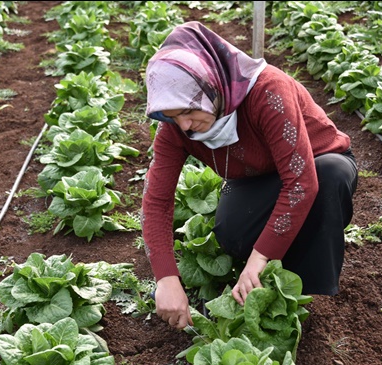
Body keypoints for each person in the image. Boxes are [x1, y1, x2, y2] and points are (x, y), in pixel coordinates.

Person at [141, 21, 358, 330]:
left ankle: (303, 291)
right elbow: (157, 201)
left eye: (188, 111)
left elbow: (300, 182)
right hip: (258, 177)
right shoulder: (176, 130)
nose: (185, 125)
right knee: (233, 234)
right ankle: (272, 258)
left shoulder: (267, 91)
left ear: (209, 86)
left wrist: (260, 260)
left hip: (319, 163)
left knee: (329, 178)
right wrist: (166, 277)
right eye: (173, 117)